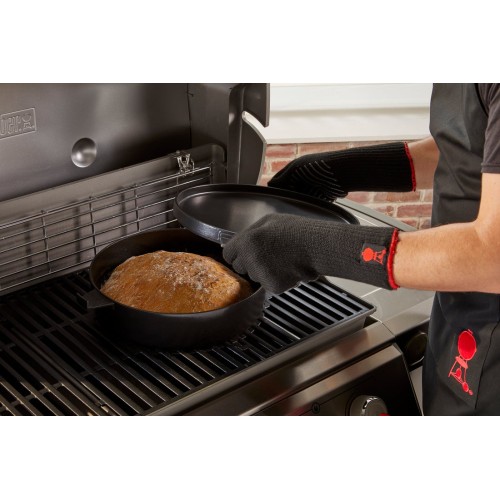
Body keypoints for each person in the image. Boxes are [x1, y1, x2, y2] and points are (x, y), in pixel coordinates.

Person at [222, 83, 500, 416]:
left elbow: (492, 255)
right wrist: (343, 170)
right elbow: (464, 148)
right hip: (459, 314)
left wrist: (311, 246)